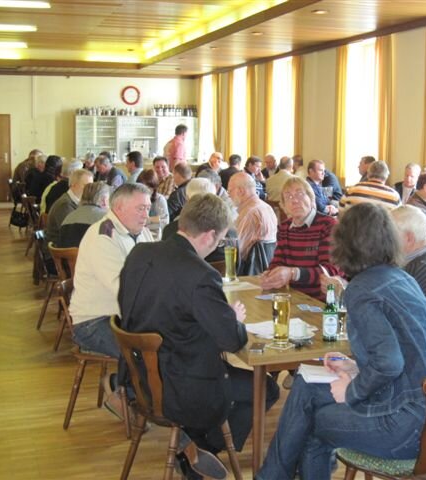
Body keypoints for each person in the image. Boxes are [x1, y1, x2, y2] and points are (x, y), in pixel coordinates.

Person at [256, 202, 426, 480]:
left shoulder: (362, 290)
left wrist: (352, 389)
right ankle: (270, 476)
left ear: (344, 245)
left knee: (314, 424)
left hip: (405, 426)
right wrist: (353, 366)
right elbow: (400, 353)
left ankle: (271, 477)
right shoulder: (402, 279)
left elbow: (388, 363)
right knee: (306, 384)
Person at [119, 193, 280, 479]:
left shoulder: (140, 253)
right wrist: (231, 318)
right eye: (218, 241)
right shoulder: (200, 275)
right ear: (209, 236)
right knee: (266, 389)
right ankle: (199, 450)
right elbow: (233, 341)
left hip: (139, 378)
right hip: (180, 388)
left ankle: (193, 447)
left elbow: (145, 307)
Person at [69, 183, 154, 418]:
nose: (146, 214)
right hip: (93, 323)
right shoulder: (103, 237)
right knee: (149, 352)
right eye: (140, 209)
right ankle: (122, 390)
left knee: (166, 344)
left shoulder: (141, 231)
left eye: (148, 208)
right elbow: (124, 291)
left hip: (124, 317)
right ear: (118, 207)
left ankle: (124, 387)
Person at [260, 176, 342, 301]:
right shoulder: (284, 227)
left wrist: (293, 273)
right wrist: (270, 274)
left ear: (311, 198)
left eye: (300, 194)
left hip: (321, 302)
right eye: (289, 197)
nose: (295, 201)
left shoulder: (328, 226)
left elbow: (330, 270)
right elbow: (278, 262)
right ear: (283, 206)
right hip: (293, 297)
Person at [390, 205, 426, 317]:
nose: (387, 239)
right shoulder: (419, 259)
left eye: (391, 234)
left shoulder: (421, 271)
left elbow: (395, 315)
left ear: (409, 238)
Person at [228, 172, 277, 260]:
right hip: (268, 265)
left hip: (249, 270)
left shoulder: (249, 213)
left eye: (230, 190)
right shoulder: (267, 207)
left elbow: (237, 250)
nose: (229, 195)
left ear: (241, 191)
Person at [46, 169, 94, 247]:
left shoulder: (76, 201)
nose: (90, 190)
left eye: (91, 186)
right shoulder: (65, 205)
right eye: (86, 186)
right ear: (73, 185)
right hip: (59, 251)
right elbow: (70, 234)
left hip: (68, 246)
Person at [59, 182, 110, 248]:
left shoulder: (68, 217)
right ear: (104, 201)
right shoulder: (106, 219)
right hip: (91, 257)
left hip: (67, 257)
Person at [137, 169, 169, 239]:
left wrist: (145, 222)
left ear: (154, 188)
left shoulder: (160, 200)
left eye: (148, 188)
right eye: (141, 187)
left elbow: (164, 223)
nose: (144, 191)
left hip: (155, 237)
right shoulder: (135, 199)